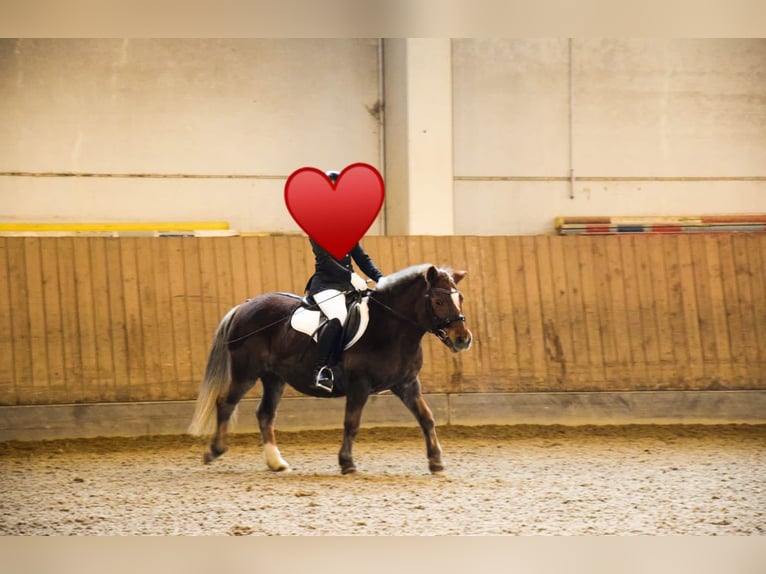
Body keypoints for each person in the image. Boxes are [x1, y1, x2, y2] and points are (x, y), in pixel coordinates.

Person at [305, 170, 384, 392]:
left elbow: (362, 258)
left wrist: (382, 278)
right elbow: (326, 261)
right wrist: (350, 276)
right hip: (326, 285)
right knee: (338, 317)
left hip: (349, 287)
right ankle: (321, 370)